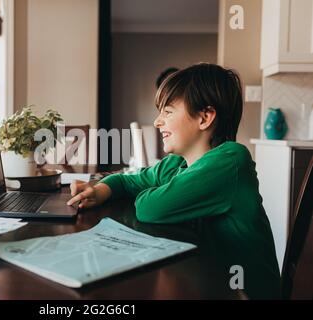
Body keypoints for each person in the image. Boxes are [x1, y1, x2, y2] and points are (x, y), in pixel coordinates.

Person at [67, 63, 281, 299]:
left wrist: (150, 190)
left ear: (204, 117)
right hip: (210, 279)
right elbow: (130, 180)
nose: (158, 121)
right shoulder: (176, 163)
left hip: (245, 293)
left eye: (167, 112)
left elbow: (150, 208)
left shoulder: (230, 160)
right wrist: (102, 190)